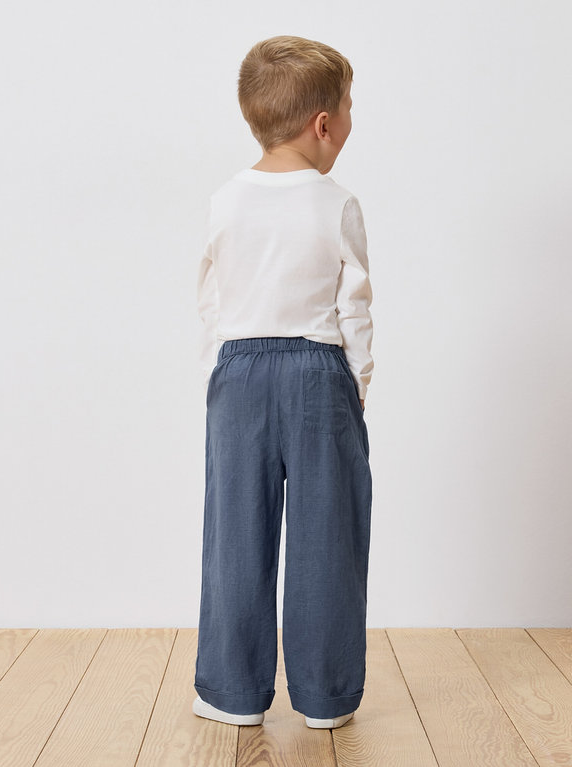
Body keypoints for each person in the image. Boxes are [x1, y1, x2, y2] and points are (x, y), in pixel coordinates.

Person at [192, 35, 374, 731]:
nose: (351, 121)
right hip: (317, 371)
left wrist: (219, 373)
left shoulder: (224, 200)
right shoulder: (337, 203)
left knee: (235, 532)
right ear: (323, 123)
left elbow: (211, 298)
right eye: (349, 107)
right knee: (330, 534)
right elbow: (354, 307)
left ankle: (230, 691)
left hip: (237, 371)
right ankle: (326, 696)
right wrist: (356, 386)